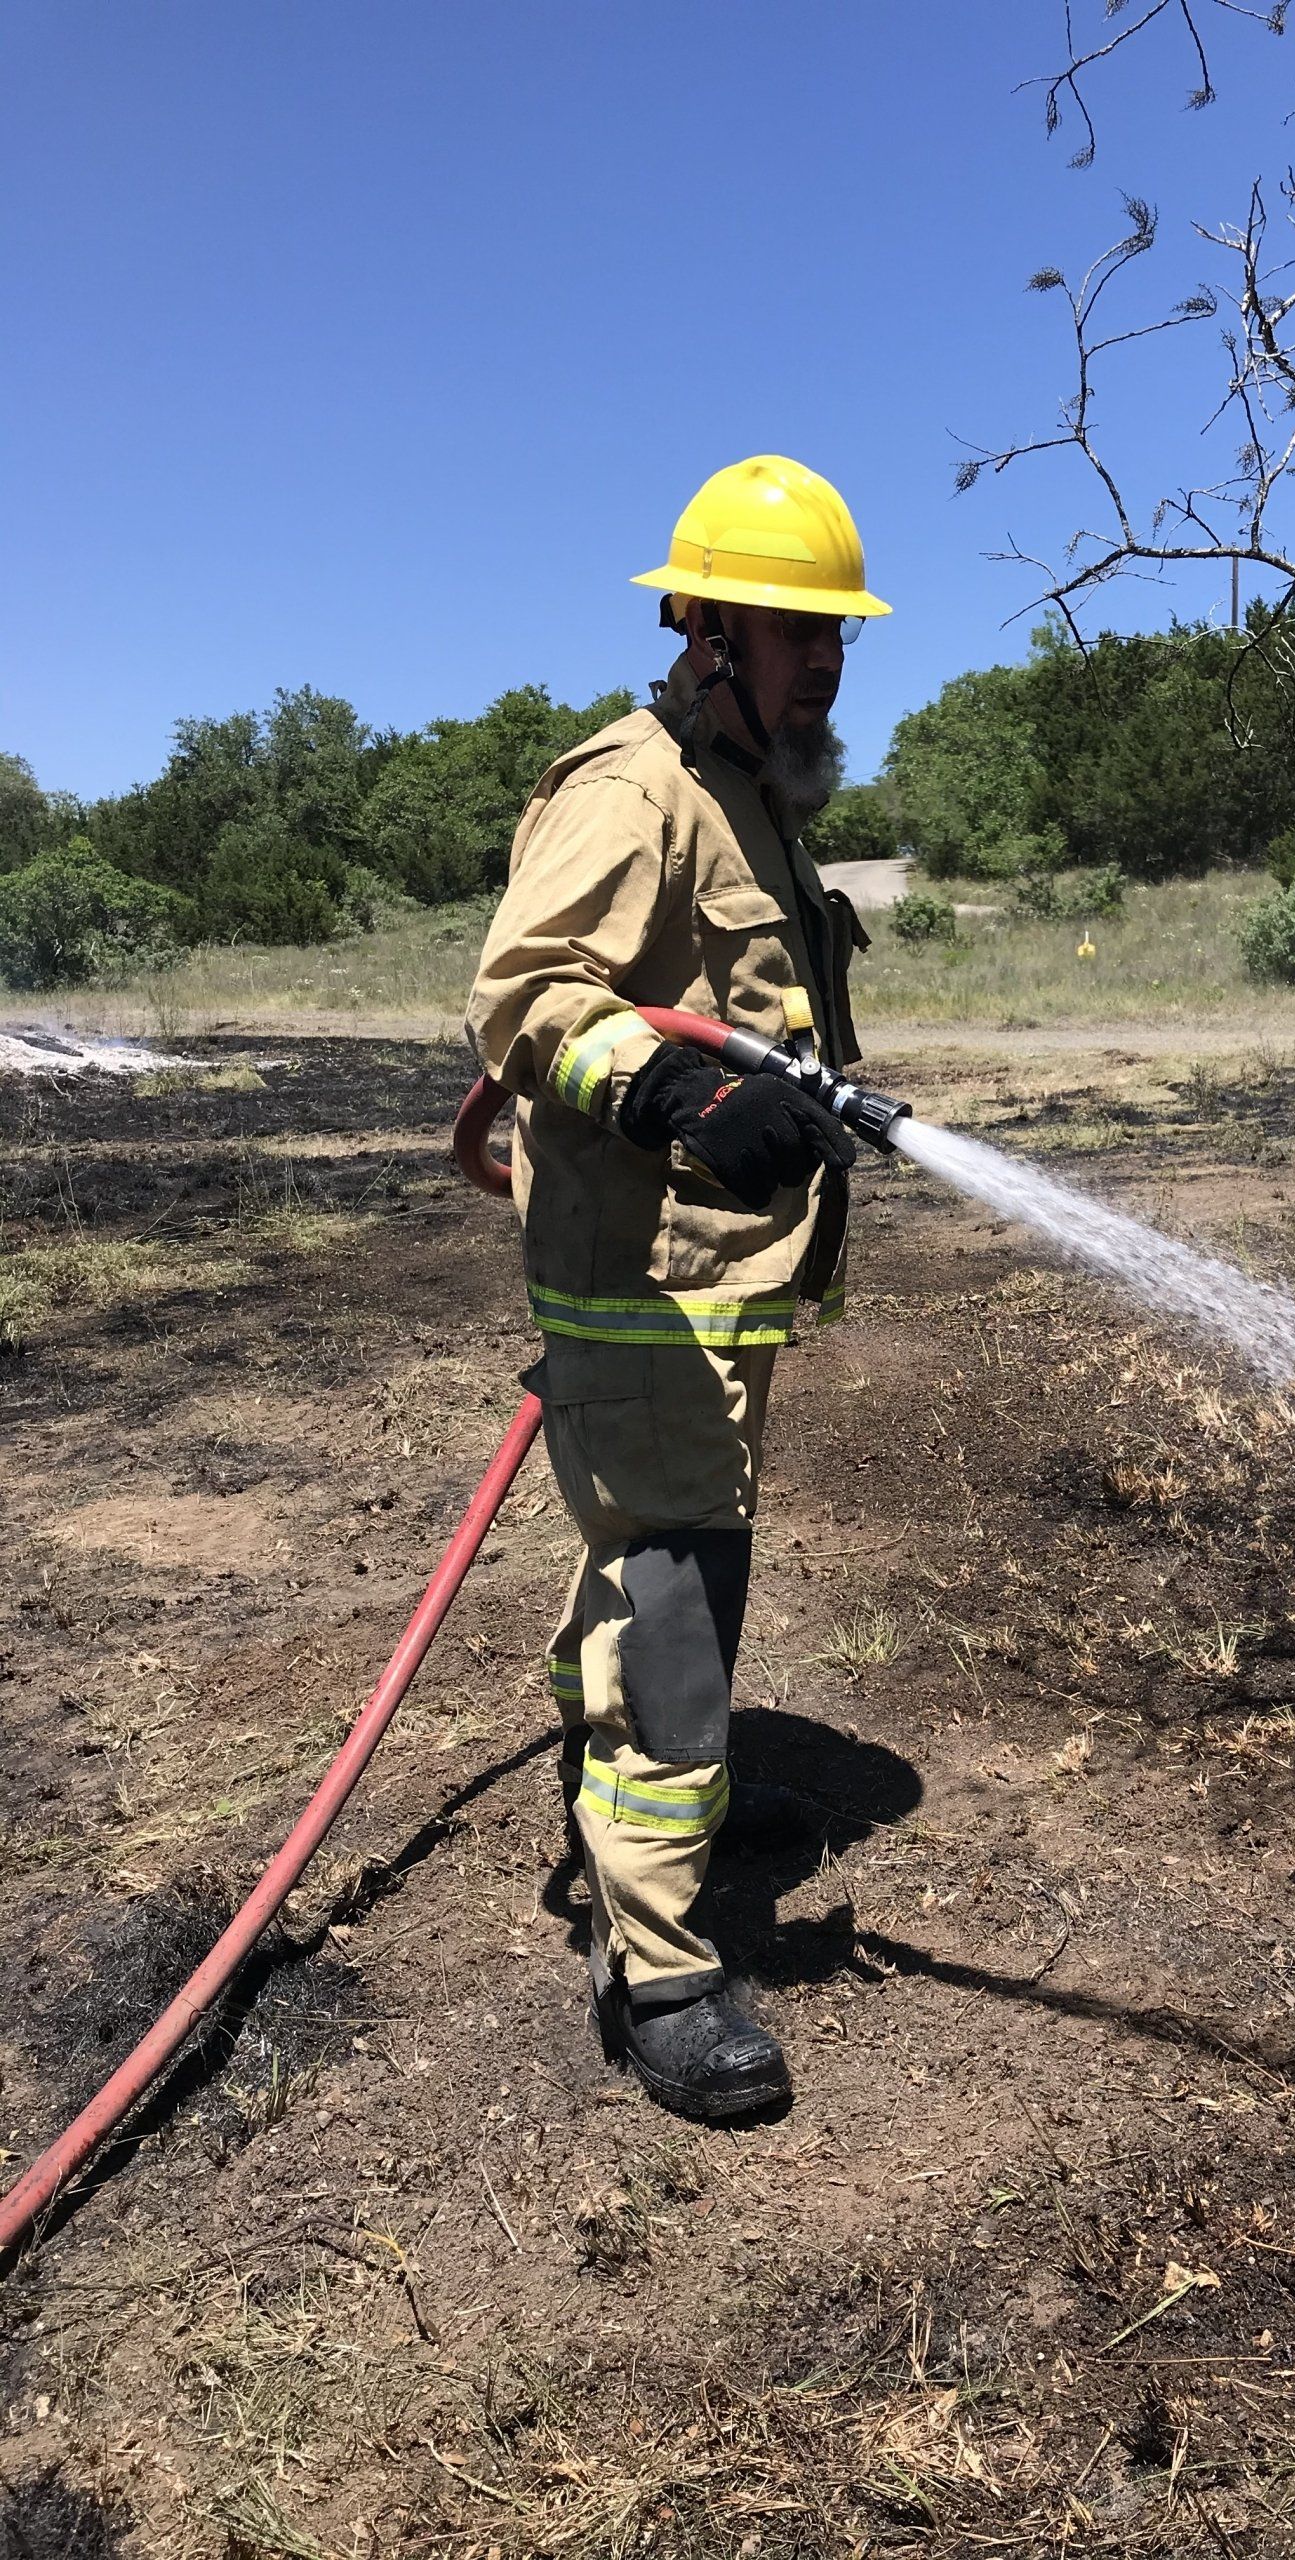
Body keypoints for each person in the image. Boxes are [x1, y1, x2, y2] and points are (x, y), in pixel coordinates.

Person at [466, 455, 889, 2121]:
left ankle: (662, 1814)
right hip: (642, 1292)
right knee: (680, 1611)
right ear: (702, 626)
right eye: (790, 630)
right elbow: (525, 994)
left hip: (717, 1287)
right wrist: (672, 1090)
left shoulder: (752, 795)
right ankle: (657, 1965)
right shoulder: (631, 788)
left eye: (834, 635)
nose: (821, 664)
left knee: (654, 1571)